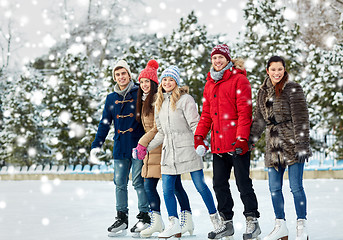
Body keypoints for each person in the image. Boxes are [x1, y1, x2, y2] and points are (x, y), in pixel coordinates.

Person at [136, 65, 222, 239]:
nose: (167, 82)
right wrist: (147, 148)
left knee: (200, 186)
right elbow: (161, 132)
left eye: (171, 79)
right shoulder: (159, 102)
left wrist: (201, 141)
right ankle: (173, 224)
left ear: (176, 82)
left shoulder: (186, 100)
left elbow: (195, 124)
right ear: (161, 82)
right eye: (165, 79)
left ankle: (217, 221)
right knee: (167, 188)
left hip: (188, 148)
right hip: (169, 151)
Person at [194, 44, 261, 240]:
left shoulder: (239, 80)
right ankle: (226, 222)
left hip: (237, 145)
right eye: (214, 58)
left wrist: (241, 138)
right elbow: (206, 114)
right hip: (218, 145)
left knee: (243, 183)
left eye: (220, 58)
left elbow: (244, 112)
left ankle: (252, 221)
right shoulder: (209, 84)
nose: (217, 61)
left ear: (227, 59)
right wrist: (199, 136)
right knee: (219, 184)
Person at [248, 56, 311, 240]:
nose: (277, 73)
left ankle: (301, 225)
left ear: (284, 70)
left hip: (292, 142)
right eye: (273, 69)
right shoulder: (262, 92)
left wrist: (302, 144)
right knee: (274, 188)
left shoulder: (293, 88)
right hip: (273, 144)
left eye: (280, 69)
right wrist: (251, 139)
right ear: (267, 70)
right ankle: (280, 226)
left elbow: (301, 119)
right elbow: (259, 119)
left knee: (296, 187)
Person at [132, 60, 193, 238]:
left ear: (154, 83)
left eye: (147, 82)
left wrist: (142, 143)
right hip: (152, 148)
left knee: (174, 187)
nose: (144, 85)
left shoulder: (157, 99)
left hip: (162, 147)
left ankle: (185, 219)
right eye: (141, 81)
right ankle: (158, 220)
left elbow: (158, 128)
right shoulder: (143, 100)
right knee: (149, 186)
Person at [90, 59, 150, 237]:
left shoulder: (140, 91)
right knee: (119, 183)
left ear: (129, 74)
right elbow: (104, 123)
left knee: (139, 182)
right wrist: (96, 145)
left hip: (138, 146)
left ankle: (145, 217)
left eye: (123, 73)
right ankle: (122, 219)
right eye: (117, 74)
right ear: (114, 77)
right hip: (120, 147)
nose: (121, 77)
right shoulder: (111, 98)